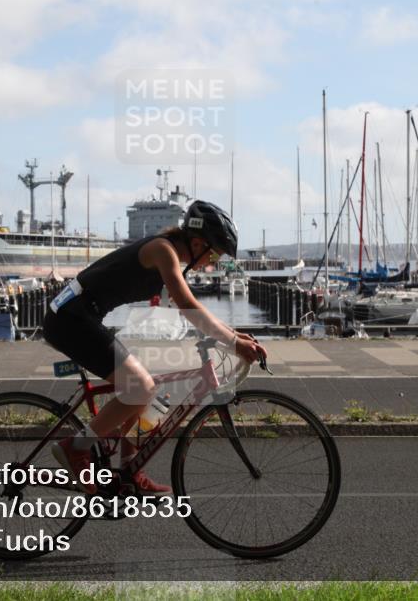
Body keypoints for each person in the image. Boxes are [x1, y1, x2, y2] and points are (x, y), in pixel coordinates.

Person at [42, 200, 267, 496]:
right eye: (213, 254)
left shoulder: (169, 255)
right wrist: (235, 343)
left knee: (150, 393)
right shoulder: (163, 251)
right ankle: (75, 448)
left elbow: (191, 311)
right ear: (197, 243)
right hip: (70, 320)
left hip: (82, 316)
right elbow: (189, 307)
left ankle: (128, 471)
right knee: (142, 387)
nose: (212, 262)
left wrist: (235, 335)